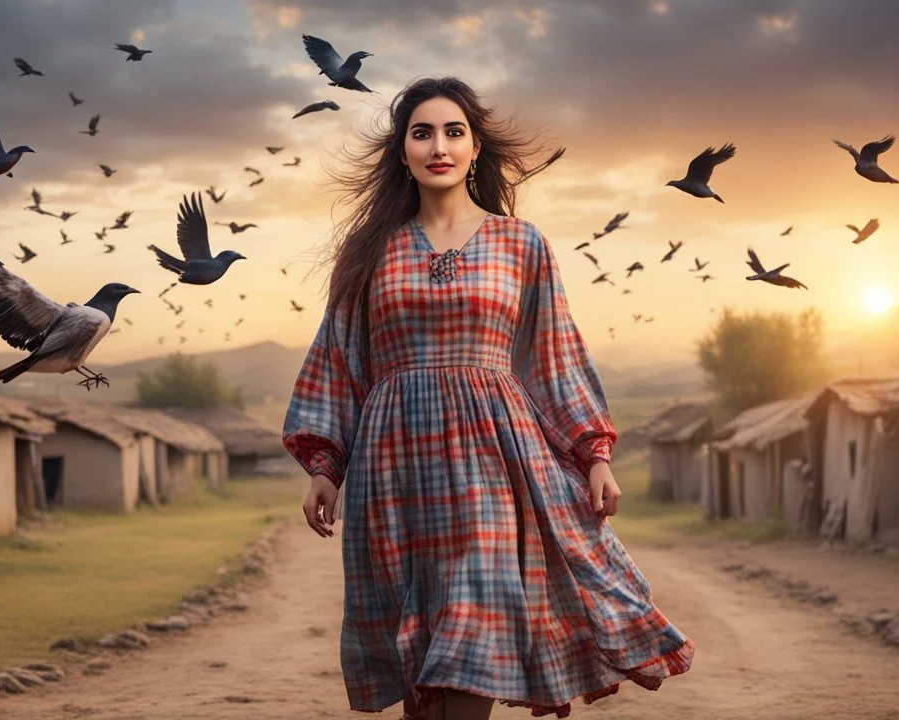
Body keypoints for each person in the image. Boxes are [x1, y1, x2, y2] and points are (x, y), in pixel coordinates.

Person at [283, 76, 694, 720]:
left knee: (472, 625)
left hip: (494, 464)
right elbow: (339, 359)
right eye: (422, 133)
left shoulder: (521, 243)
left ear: (475, 147)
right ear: (403, 152)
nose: (438, 146)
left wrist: (594, 451)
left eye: (454, 132)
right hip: (395, 468)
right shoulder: (368, 254)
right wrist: (323, 466)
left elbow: (552, 354)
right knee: (421, 655)